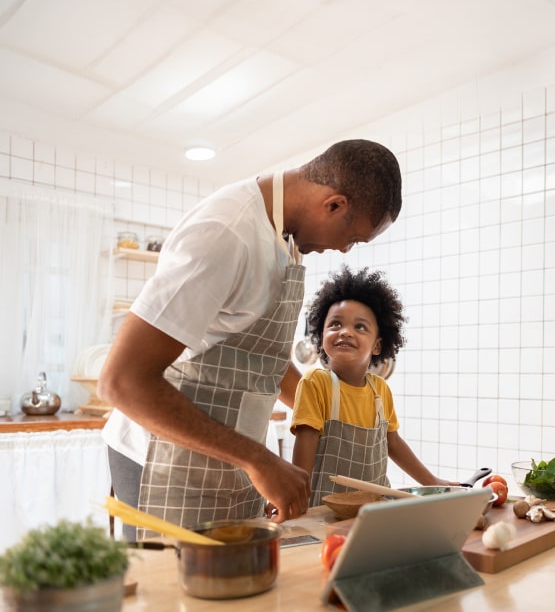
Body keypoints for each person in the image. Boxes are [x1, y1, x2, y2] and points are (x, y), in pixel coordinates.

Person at [98, 140, 402, 540]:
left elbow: (259, 360)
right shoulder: (226, 232)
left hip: (227, 460)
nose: (343, 251)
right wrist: (258, 459)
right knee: (174, 597)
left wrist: (342, 415)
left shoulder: (285, 240)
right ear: (334, 205)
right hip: (162, 460)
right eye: (354, 239)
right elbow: (122, 382)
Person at [291, 266, 455, 507]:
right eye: (335, 324)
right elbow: (304, 450)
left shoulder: (380, 389)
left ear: (377, 345)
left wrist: (431, 481)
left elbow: (393, 443)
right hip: (324, 512)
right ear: (321, 333)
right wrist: (296, 500)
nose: (345, 332)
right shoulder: (316, 384)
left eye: (359, 327)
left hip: (375, 509)